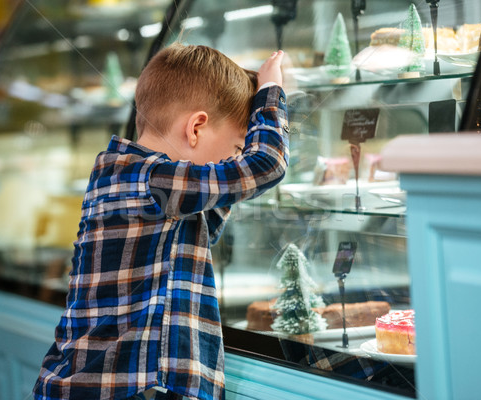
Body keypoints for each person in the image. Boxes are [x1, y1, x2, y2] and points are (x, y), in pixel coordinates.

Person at [33, 43, 289, 400]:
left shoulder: (128, 176)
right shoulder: (150, 180)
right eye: (234, 148)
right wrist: (270, 95)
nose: (233, 160)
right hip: (126, 391)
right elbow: (265, 166)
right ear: (196, 128)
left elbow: (213, 215)